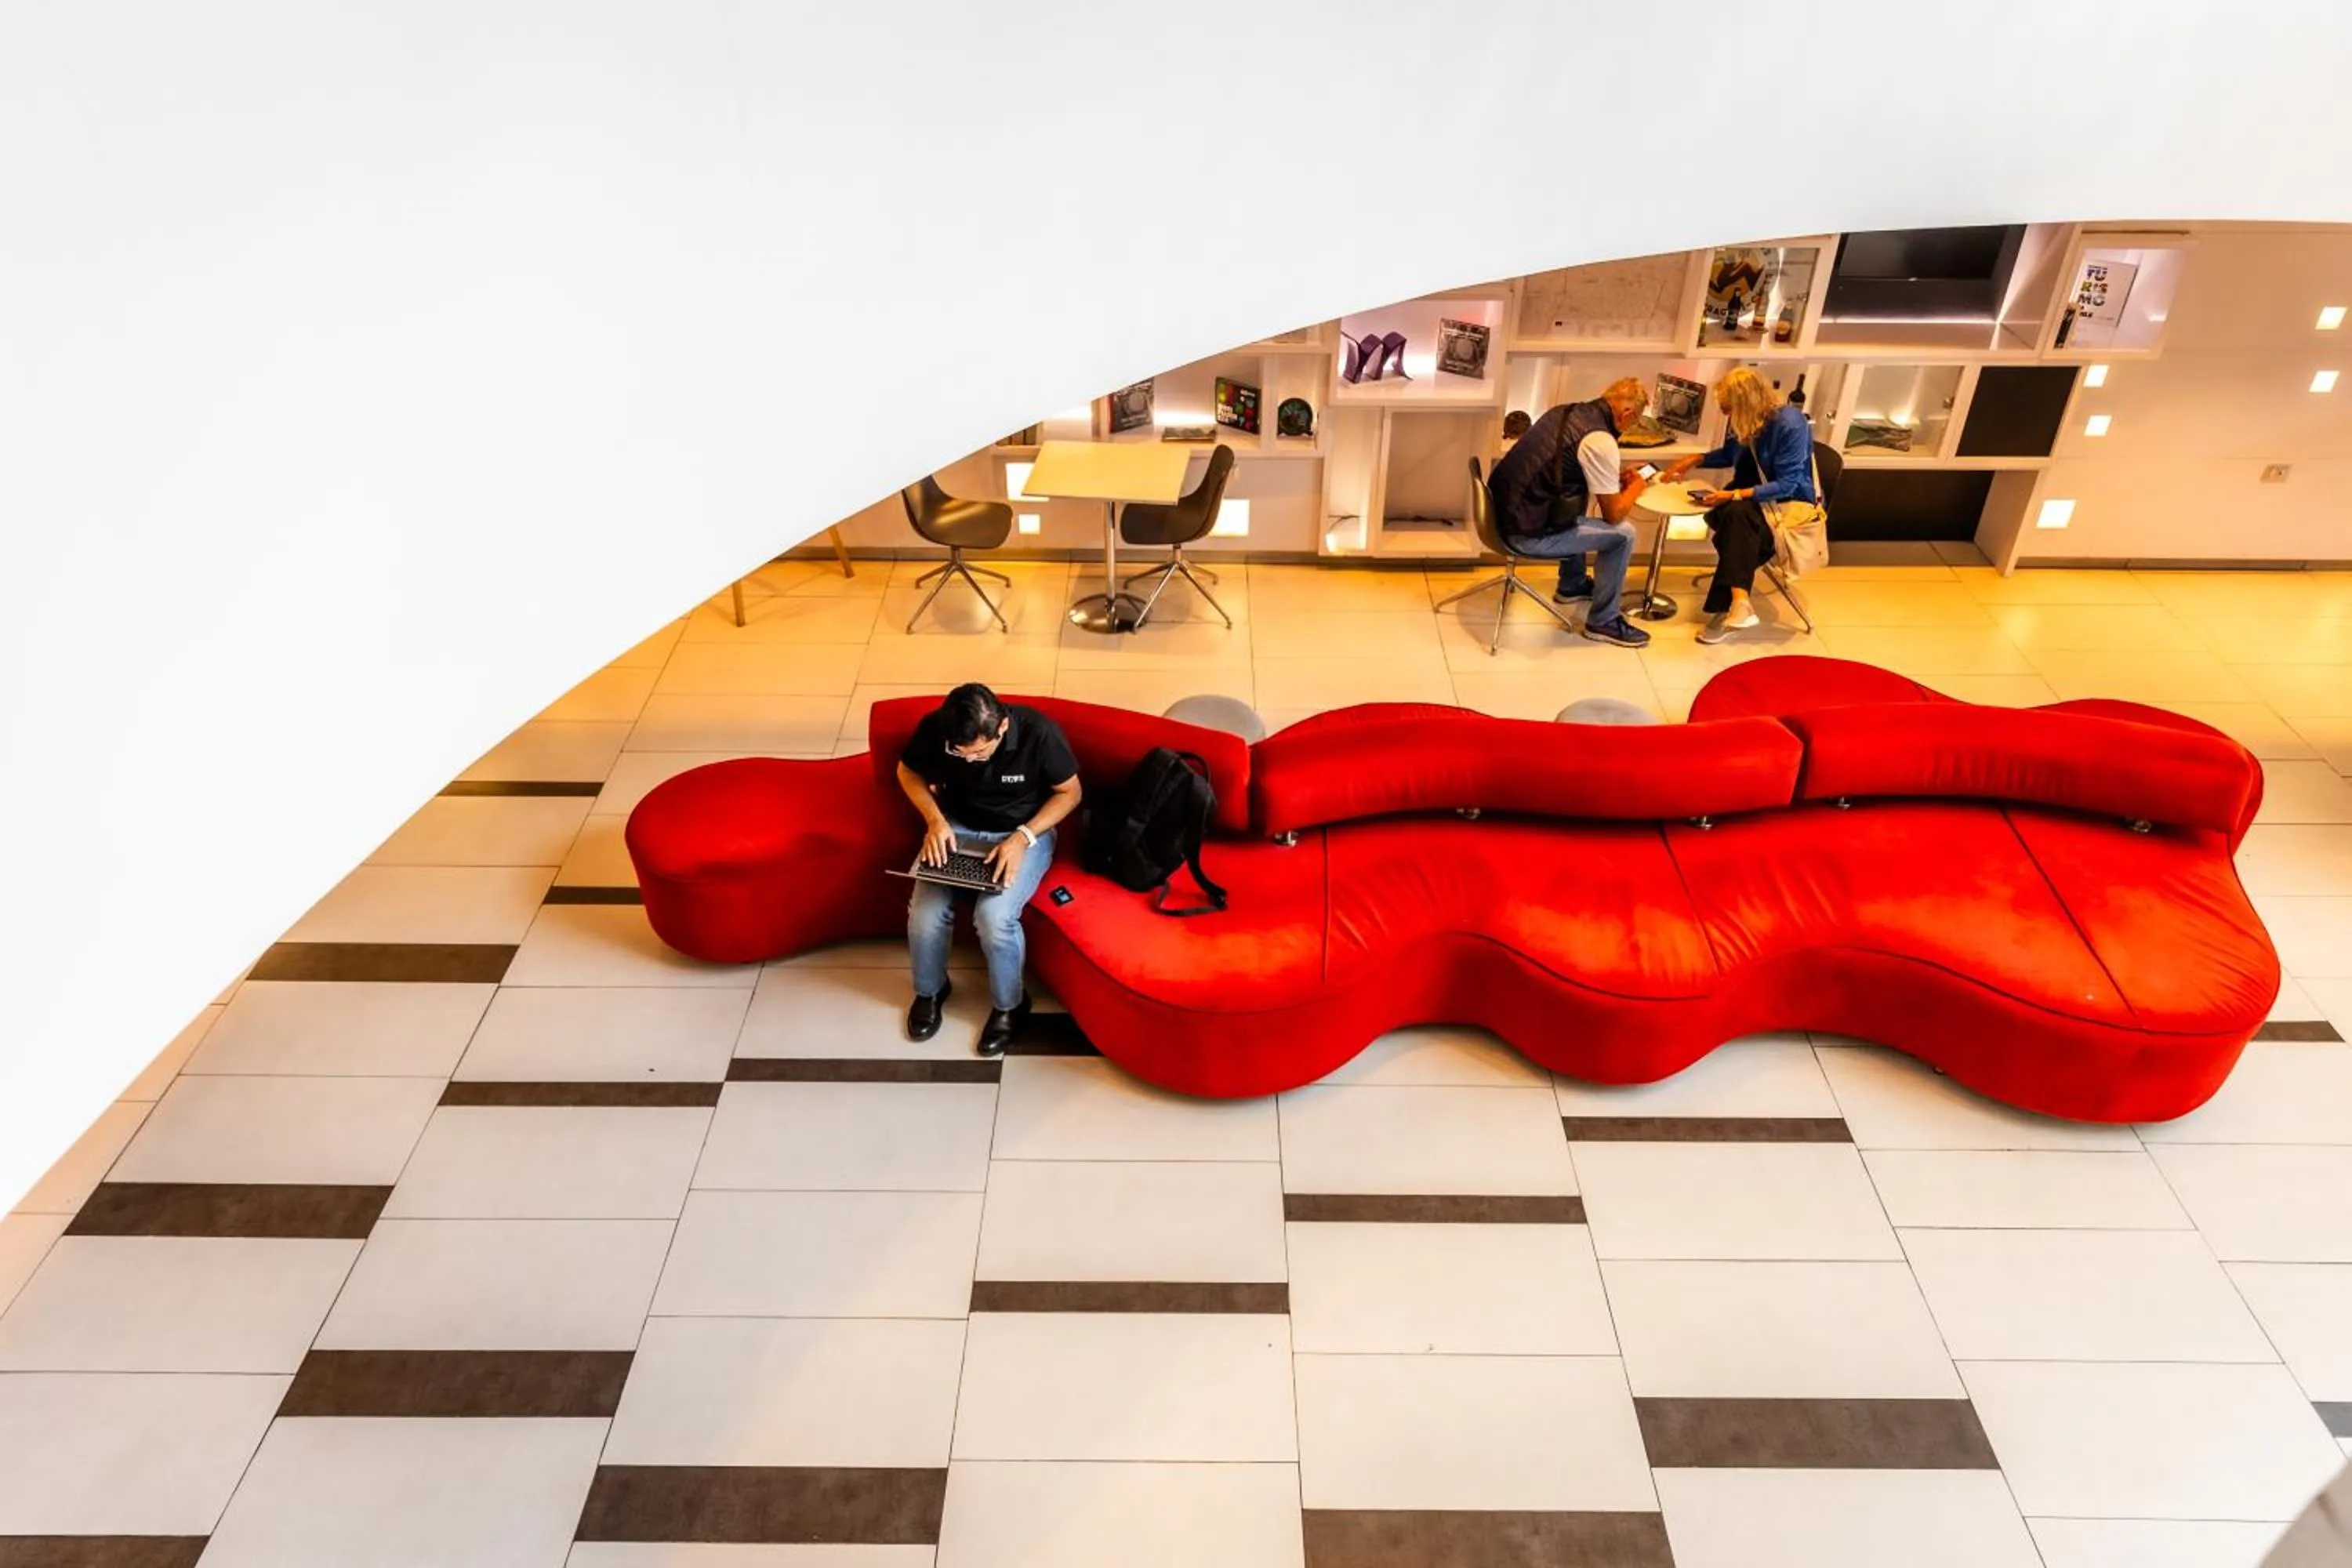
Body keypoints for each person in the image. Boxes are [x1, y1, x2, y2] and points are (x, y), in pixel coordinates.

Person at [895, 684, 1081, 1057]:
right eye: (959, 753)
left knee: (994, 918)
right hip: (957, 827)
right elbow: (907, 771)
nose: (969, 761)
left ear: (1002, 729)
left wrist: (1022, 838)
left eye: (979, 752)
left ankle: (1010, 1006)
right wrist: (934, 820)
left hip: (1024, 831)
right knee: (925, 915)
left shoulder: (1038, 733)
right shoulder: (938, 728)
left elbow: (1071, 793)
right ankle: (930, 990)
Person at [1481, 377, 1656, 648]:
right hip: (1522, 533)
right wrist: (1637, 485)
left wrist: (1612, 477)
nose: (1630, 429)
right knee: (1624, 534)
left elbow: (1564, 472)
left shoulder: (1564, 412)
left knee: (1577, 500)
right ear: (1627, 414)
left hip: (1498, 515)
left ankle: (1572, 585)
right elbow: (1614, 514)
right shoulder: (1600, 441)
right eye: (1634, 424)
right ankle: (1604, 621)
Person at [1657, 367, 1818, 644]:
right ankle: (1739, 601)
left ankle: (1730, 608)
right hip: (1746, 502)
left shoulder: (1790, 424)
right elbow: (1732, 455)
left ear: (1746, 404)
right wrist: (1695, 460)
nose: (1726, 415)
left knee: (1737, 521)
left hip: (1785, 507)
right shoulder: (1746, 421)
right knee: (1736, 524)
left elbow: (1788, 484)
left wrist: (1732, 496)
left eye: (1729, 408)